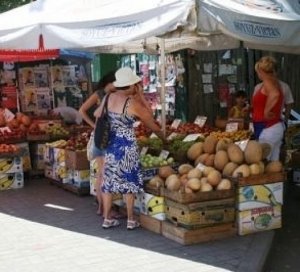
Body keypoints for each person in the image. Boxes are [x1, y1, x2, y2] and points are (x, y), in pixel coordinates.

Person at [95, 67, 165, 230]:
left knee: (109, 182)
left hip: (111, 145)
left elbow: (97, 114)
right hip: (127, 147)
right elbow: (151, 121)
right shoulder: (131, 103)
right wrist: (164, 139)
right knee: (129, 181)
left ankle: (107, 219)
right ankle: (131, 220)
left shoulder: (107, 97)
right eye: (135, 84)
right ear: (131, 85)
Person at [79, 71, 116, 216]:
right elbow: (82, 110)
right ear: (109, 82)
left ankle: (101, 207)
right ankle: (105, 209)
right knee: (104, 174)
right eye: (115, 83)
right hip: (104, 137)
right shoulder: (100, 94)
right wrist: (93, 125)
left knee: (101, 174)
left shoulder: (111, 95)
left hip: (101, 136)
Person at [252, 56, 285, 161]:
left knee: (261, 164)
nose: (258, 74)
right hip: (274, 127)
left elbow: (274, 95)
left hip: (267, 129)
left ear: (261, 70)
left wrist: (266, 111)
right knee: (273, 165)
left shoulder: (267, 81)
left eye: (258, 71)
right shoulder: (275, 82)